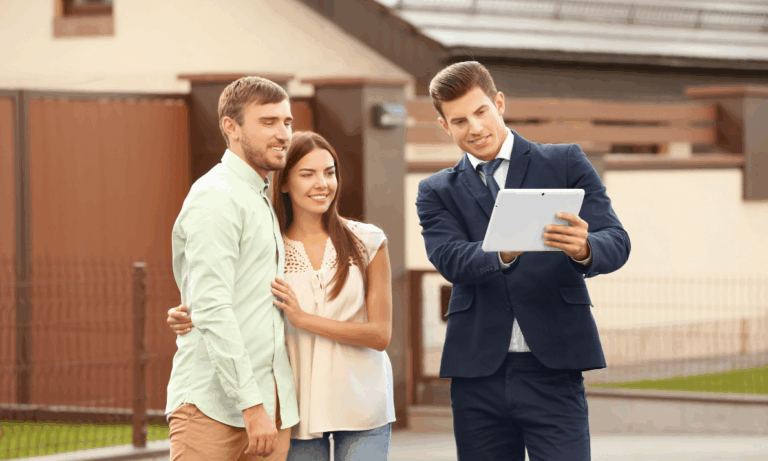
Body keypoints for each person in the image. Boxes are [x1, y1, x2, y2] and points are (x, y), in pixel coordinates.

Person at [416, 61, 631, 461]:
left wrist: (584, 248)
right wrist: (502, 250)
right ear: (445, 126)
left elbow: (616, 240)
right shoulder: (436, 191)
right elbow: (447, 258)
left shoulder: (564, 161)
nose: (475, 128)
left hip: (554, 366)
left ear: (498, 103)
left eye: (481, 112)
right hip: (476, 372)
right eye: (459, 120)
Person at [168, 131, 396, 461]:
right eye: (308, 174)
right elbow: (224, 299)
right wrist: (189, 313)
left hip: (363, 406)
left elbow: (380, 335)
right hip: (296, 410)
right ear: (285, 183)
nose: (322, 184)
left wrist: (306, 320)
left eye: (329, 172)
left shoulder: (368, 241)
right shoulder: (268, 248)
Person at [165, 76, 299, 461]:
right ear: (231, 127)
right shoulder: (217, 198)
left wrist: (267, 406)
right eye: (268, 122)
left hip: (269, 407)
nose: (283, 134)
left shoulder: (258, 195)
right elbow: (211, 307)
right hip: (216, 408)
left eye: (287, 122)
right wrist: (251, 405)